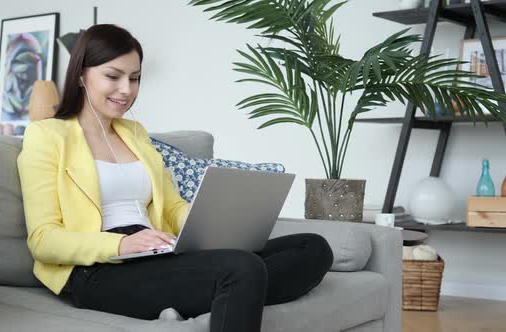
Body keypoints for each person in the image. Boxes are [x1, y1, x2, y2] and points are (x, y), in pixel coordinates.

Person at [17, 24, 333, 332]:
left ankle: (212, 295)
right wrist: (123, 244)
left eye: (135, 78)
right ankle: (227, 290)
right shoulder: (47, 136)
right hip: (99, 269)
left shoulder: (136, 134)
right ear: (82, 74)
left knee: (312, 248)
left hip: (158, 251)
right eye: (113, 76)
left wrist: (212, 226)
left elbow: (171, 209)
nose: (126, 89)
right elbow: (44, 240)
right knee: (243, 269)